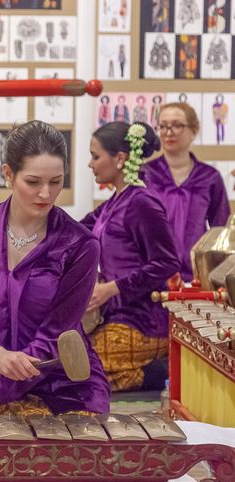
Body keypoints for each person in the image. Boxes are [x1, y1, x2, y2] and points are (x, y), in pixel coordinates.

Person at [0, 121, 110, 418]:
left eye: (56, 181)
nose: (45, 193)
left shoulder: (80, 245)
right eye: (33, 182)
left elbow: (57, 334)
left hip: (61, 382)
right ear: (8, 174)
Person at [82, 122, 179, 392]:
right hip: (117, 316)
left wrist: (112, 288)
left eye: (95, 156)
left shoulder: (142, 203)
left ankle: (156, 372)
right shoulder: (114, 202)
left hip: (145, 321)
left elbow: (167, 262)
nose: (90, 164)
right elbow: (75, 230)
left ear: (120, 158)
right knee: (64, 361)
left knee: (76, 370)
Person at [141, 102, 229, 282]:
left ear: (194, 130)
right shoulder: (144, 174)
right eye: (163, 126)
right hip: (152, 274)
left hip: (196, 277)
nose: (168, 132)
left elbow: (220, 232)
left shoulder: (209, 177)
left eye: (177, 125)